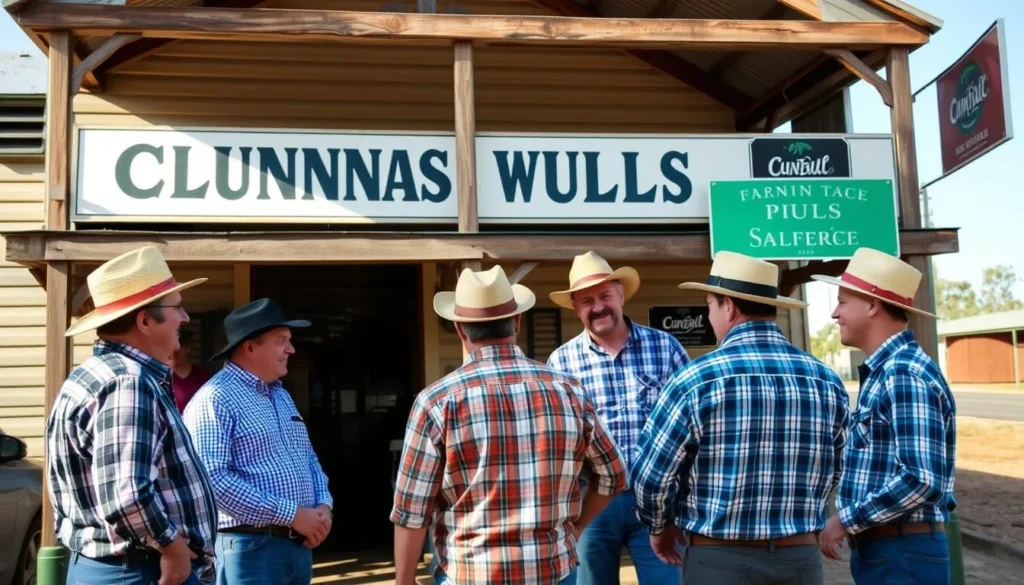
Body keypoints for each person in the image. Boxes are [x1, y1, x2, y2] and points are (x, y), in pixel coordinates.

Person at [390, 265, 629, 585]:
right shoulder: (568, 390)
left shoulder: (436, 402)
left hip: (470, 573)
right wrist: (576, 527)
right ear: (517, 321)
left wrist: (403, 581)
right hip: (553, 570)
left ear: (460, 329)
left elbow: (411, 511)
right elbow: (613, 475)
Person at [630, 251, 850, 585]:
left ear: (728, 306)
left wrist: (659, 526)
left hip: (718, 560)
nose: (708, 316)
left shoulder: (697, 379)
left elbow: (650, 475)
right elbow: (839, 465)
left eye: (709, 305)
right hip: (800, 558)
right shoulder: (825, 379)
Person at [46, 245, 218, 585]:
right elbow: (127, 496)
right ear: (144, 320)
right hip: (138, 570)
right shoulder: (128, 382)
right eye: (177, 308)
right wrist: (173, 549)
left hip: (125, 567)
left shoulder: (97, 373)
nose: (185, 318)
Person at [813, 247, 957, 585]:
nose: (835, 313)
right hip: (893, 548)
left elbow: (922, 479)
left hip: (902, 550)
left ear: (873, 305)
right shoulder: (888, 370)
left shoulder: (903, 373)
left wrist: (844, 521)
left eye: (843, 301)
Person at [546, 251, 689, 585]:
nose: (597, 307)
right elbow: (556, 441)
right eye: (586, 301)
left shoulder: (665, 347)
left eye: (604, 296)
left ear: (621, 295)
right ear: (576, 308)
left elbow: (691, 426)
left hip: (659, 502)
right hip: (592, 505)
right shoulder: (562, 362)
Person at [182, 298, 333, 585]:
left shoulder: (281, 395)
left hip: (295, 545)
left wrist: (323, 506)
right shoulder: (215, 398)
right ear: (250, 347)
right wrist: (292, 515)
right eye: (281, 341)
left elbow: (308, 457)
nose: (291, 349)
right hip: (249, 548)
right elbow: (211, 480)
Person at [169, 328, 212, 414]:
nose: (174, 353)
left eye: (178, 349)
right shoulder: (162, 377)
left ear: (187, 349)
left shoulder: (203, 377)